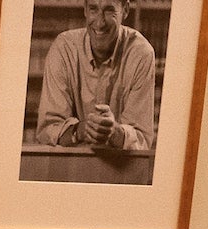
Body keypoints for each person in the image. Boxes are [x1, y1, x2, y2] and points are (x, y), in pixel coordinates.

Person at [33, 0, 158, 152]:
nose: (99, 23)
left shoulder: (141, 53)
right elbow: (47, 130)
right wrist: (80, 130)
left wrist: (114, 132)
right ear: (85, 10)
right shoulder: (63, 48)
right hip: (69, 166)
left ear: (125, 10)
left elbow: (142, 139)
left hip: (121, 168)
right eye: (93, 9)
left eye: (109, 10)